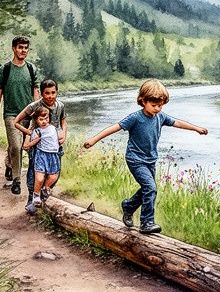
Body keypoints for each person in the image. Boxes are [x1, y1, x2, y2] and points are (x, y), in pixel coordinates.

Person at [82, 79, 208, 234]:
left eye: (160, 105)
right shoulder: (135, 118)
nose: (157, 109)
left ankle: (128, 206)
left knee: (147, 189)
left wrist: (197, 129)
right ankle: (146, 222)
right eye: (154, 105)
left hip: (150, 160)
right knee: (150, 188)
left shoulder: (160, 117)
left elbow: (178, 123)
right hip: (135, 160)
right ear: (143, 101)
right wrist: (93, 140)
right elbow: (114, 128)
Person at [0, 36, 39, 196]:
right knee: (17, 146)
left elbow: (35, 91)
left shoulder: (31, 69)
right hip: (11, 114)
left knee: (20, 147)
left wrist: (37, 112)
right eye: (20, 47)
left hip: (28, 115)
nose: (23, 50)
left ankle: (9, 163)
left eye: (26, 48)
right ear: (13, 48)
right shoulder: (4, 69)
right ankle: (17, 181)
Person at [13, 79, 67, 211]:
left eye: (53, 92)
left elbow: (63, 121)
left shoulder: (60, 106)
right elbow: (17, 121)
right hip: (37, 147)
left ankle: (44, 199)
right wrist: (29, 132)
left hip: (54, 146)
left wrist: (64, 134)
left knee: (54, 174)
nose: (50, 96)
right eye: (47, 93)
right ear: (42, 93)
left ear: (57, 92)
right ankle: (31, 199)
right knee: (34, 173)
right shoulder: (35, 106)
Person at [21, 107, 62, 214]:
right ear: (36, 120)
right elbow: (26, 146)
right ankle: (36, 196)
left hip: (53, 156)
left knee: (53, 176)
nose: (44, 121)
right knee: (39, 179)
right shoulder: (36, 131)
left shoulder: (53, 128)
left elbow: (60, 138)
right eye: (41, 119)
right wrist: (35, 138)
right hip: (41, 156)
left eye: (46, 118)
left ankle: (45, 189)